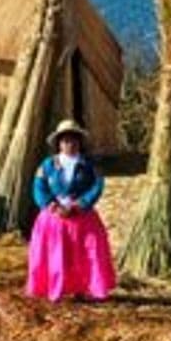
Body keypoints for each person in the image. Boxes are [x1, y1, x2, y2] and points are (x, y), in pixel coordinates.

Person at [26, 119, 117, 302]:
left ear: (80, 142)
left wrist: (80, 204)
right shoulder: (48, 165)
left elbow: (97, 186)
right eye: (65, 140)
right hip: (54, 218)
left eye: (74, 140)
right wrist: (52, 205)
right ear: (59, 143)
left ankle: (83, 288)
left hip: (82, 218)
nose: (70, 144)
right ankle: (55, 288)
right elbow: (39, 187)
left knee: (84, 253)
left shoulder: (89, 165)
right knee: (56, 254)